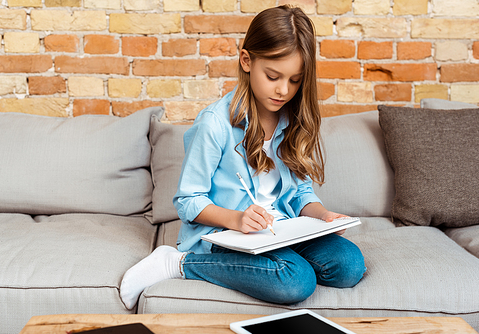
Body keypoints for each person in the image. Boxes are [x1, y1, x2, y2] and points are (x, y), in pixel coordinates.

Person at [119, 5, 366, 310]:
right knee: (295, 281)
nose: (283, 90)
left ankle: (273, 264)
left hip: (281, 230)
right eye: (273, 76)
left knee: (350, 266)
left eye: (294, 80)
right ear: (247, 61)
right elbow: (188, 201)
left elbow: (300, 192)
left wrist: (324, 217)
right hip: (228, 235)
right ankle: (179, 264)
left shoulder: (293, 120)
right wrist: (237, 219)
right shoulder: (215, 123)